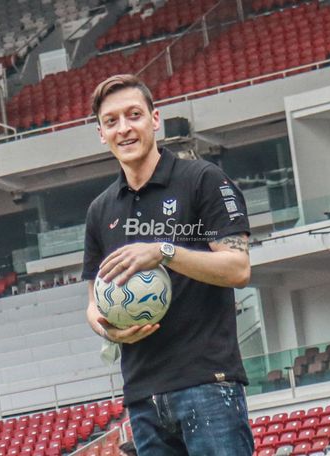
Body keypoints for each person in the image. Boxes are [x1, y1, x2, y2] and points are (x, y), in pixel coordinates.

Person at [82, 74, 254, 455]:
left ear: (154, 119)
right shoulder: (100, 211)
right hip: (144, 394)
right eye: (112, 121)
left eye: (134, 115)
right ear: (101, 133)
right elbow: (93, 300)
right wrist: (107, 329)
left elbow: (238, 268)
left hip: (208, 383)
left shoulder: (203, 180)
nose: (124, 129)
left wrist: (164, 251)